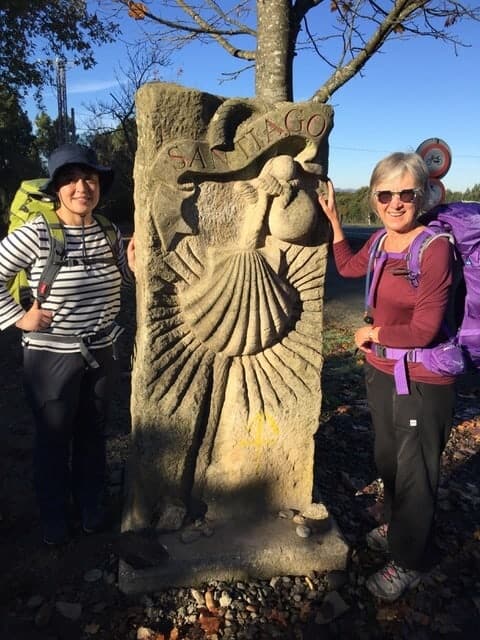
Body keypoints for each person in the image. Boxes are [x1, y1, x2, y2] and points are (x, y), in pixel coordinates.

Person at [318, 152, 455, 602]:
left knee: (417, 468)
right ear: (375, 198)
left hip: (422, 377)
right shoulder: (380, 242)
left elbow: (425, 329)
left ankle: (410, 559)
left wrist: (373, 332)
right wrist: (336, 221)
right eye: (385, 194)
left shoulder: (433, 249)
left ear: (421, 196)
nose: (395, 203)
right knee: (389, 456)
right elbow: (349, 267)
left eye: (405, 194)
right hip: (381, 368)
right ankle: (396, 524)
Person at [0, 143, 135, 545]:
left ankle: (91, 507)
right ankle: (54, 516)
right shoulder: (38, 233)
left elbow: (120, 284)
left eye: (89, 179)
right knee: (54, 437)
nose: (82, 188)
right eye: (71, 180)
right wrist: (19, 317)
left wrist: (134, 265)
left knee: (94, 433)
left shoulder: (108, 231)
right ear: (57, 188)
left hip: (102, 352)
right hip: (50, 357)